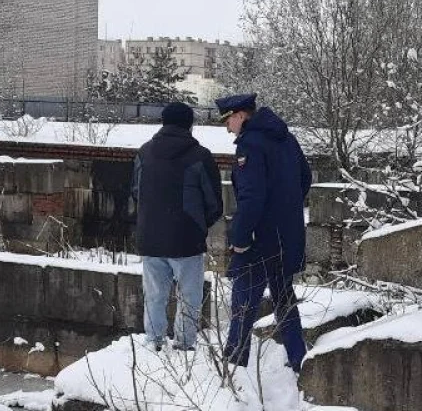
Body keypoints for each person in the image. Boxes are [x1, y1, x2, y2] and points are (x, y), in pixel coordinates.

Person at [215, 93, 311, 372]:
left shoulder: (250, 145)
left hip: (259, 240)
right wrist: (284, 211)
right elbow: (305, 178)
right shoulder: (287, 139)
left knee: (243, 302)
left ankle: (234, 366)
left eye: (228, 121)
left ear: (240, 115)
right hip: (286, 235)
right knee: (284, 299)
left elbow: (251, 198)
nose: (228, 128)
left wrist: (241, 240)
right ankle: (300, 363)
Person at [131, 102, 224, 351]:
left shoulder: (144, 153)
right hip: (187, 239)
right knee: (190, 296)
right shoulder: (201, 156)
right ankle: (184, 345)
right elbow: (214, 202)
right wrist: (199, 224)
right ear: (190, 125)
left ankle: (154, 341)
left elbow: (136, 192)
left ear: (163, 122)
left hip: (151, 238)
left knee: (154, 295)